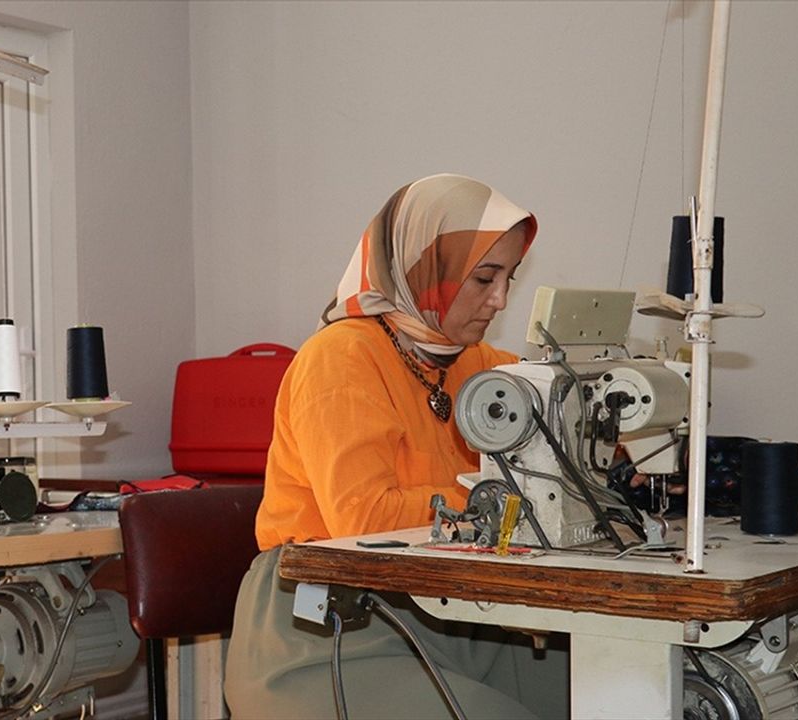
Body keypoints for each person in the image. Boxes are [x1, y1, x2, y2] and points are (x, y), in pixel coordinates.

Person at [224, 175, 568, 719]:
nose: (500, 300)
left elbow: (561, 437)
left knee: (620, 692)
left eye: (509, 277)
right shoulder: (340, 358)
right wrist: (499, 499)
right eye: (484, 278)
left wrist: (617, 457)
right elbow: (364, 519)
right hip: (326, 624)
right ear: (423, 270)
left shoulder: (481, 365)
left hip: (453, 615)